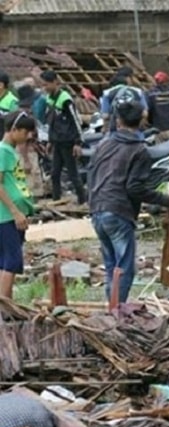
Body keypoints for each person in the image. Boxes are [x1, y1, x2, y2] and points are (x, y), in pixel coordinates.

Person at [89, 99, 169, 304]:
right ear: (142, 121)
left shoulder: (104, 143)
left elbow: (91, 174)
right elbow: (134, 188)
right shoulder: (139, 150)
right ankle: (118, 311)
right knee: (124, 267)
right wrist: (165, 200)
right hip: (117, 210)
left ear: (118, 121)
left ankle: (112, 309)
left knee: (110, 266)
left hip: (97, 208)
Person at [0, 111, 35, 299]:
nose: (28, 136)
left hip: (11, 215)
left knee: (6, 261)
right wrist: (15, 212)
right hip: (6, 216)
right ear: (14, 129)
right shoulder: (2, 151)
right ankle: (5, 307)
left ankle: (6, 305)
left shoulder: (10, 151)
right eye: (25, 131)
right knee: (12, 261)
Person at [40, 70, 87, 204]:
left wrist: (78, 142)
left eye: (47, 84)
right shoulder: (49, 98)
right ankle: (56, 200)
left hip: (68, 142)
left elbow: (76, 121)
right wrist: (50, 140)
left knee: (73, 174)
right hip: (57, 141)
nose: (45, 88)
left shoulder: (65, 99)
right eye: (43, 85)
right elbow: (51, 122)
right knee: (55, 174)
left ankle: (82, 200)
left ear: (55, 82)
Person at [99, 68, 148, 134]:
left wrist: (104, 128)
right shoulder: (138, 91)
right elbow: (145, 113)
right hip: (135, 131)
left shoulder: (107, 93)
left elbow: (105, 116)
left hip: (116, 132)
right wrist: (140, 126)